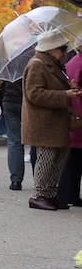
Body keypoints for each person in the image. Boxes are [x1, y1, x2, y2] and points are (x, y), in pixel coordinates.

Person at [21, 29, 81, 211]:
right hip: (44, 122)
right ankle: (38, 195)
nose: (65, 52)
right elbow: (35, 94)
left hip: (56, 121)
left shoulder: (53, 64)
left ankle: (49, 193)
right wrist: (65, 94)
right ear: (51, 48)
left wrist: (69, 86)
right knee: (46, 159)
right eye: (62, 48)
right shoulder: (37, 64)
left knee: (59, 158)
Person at [57, 50, 82, 207]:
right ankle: (68, 194)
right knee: (75, 159)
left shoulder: (71, 62)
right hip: (78, 112)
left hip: (73, 113)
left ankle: (69, 194)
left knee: (73, 158)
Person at [0, 73, 26, 190]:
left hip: (10, 100)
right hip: (26, 101)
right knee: (35, 140)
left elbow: (3, 85)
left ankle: (16, 180)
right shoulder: (35, 62)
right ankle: (40, 180)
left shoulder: (12, 65)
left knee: (14, 141)